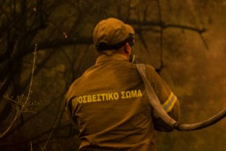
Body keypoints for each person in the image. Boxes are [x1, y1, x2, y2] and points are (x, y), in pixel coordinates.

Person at [65, 18, 180, 151]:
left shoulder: (76, 88)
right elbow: (172, 117)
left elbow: (79, 126)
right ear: (127, 48)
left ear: (98, 48)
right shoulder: (145, 75)